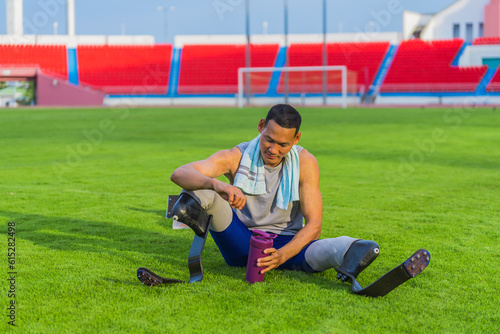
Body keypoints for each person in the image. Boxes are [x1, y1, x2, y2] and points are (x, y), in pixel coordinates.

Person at [170, 104, 379, 279]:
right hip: (242, 241)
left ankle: (352, 250)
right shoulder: (236, 156)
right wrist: (218, 184)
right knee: (201, 190)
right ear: (261, 126)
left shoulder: (305, 162)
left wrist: (281, 255)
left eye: (283, 144)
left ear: (296, 139)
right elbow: (180, 173)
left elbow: (314, 224)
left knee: (333, 248)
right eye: (269, 139)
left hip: (289, 244)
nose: (273, 150)